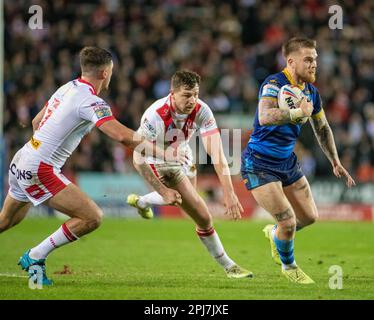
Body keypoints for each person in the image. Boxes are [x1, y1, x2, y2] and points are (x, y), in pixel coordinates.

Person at [0, 46, 183, 285]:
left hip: (23, 157)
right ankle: (35, 256)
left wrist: (44, 150)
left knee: (7, 220)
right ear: (106, 73)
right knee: (92, 217)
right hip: (38, 168)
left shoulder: (67, 87)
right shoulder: (91, 101)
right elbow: (122, 136)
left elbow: (36, 121)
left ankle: (35, 256)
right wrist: (164, 153)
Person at [241, 37, 356, 284]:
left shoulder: (312, 92)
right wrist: (296, 113)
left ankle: (275, 234)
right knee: (288, 220)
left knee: (310, 217)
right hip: (259, 162)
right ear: (291, 61)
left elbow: (322, 128)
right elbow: (264, 116)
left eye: (315, 59)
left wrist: (335, 161)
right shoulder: (273, 83)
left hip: (287, 162)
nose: (314, 64)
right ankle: (289, 266)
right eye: (308, 60)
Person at [128, 70, 252, 279]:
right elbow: (137, 156)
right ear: (172, 93)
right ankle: (229, 266)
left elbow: (217, 152)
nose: (192, 100)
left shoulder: (202, 110)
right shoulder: (155, 115)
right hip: (159, 159)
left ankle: (142, 202)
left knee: (184, 201)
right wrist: (160, 188)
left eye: (195, 94)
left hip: (184, 153)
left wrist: (229, 192)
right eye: (186, 94)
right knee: (203, 216)